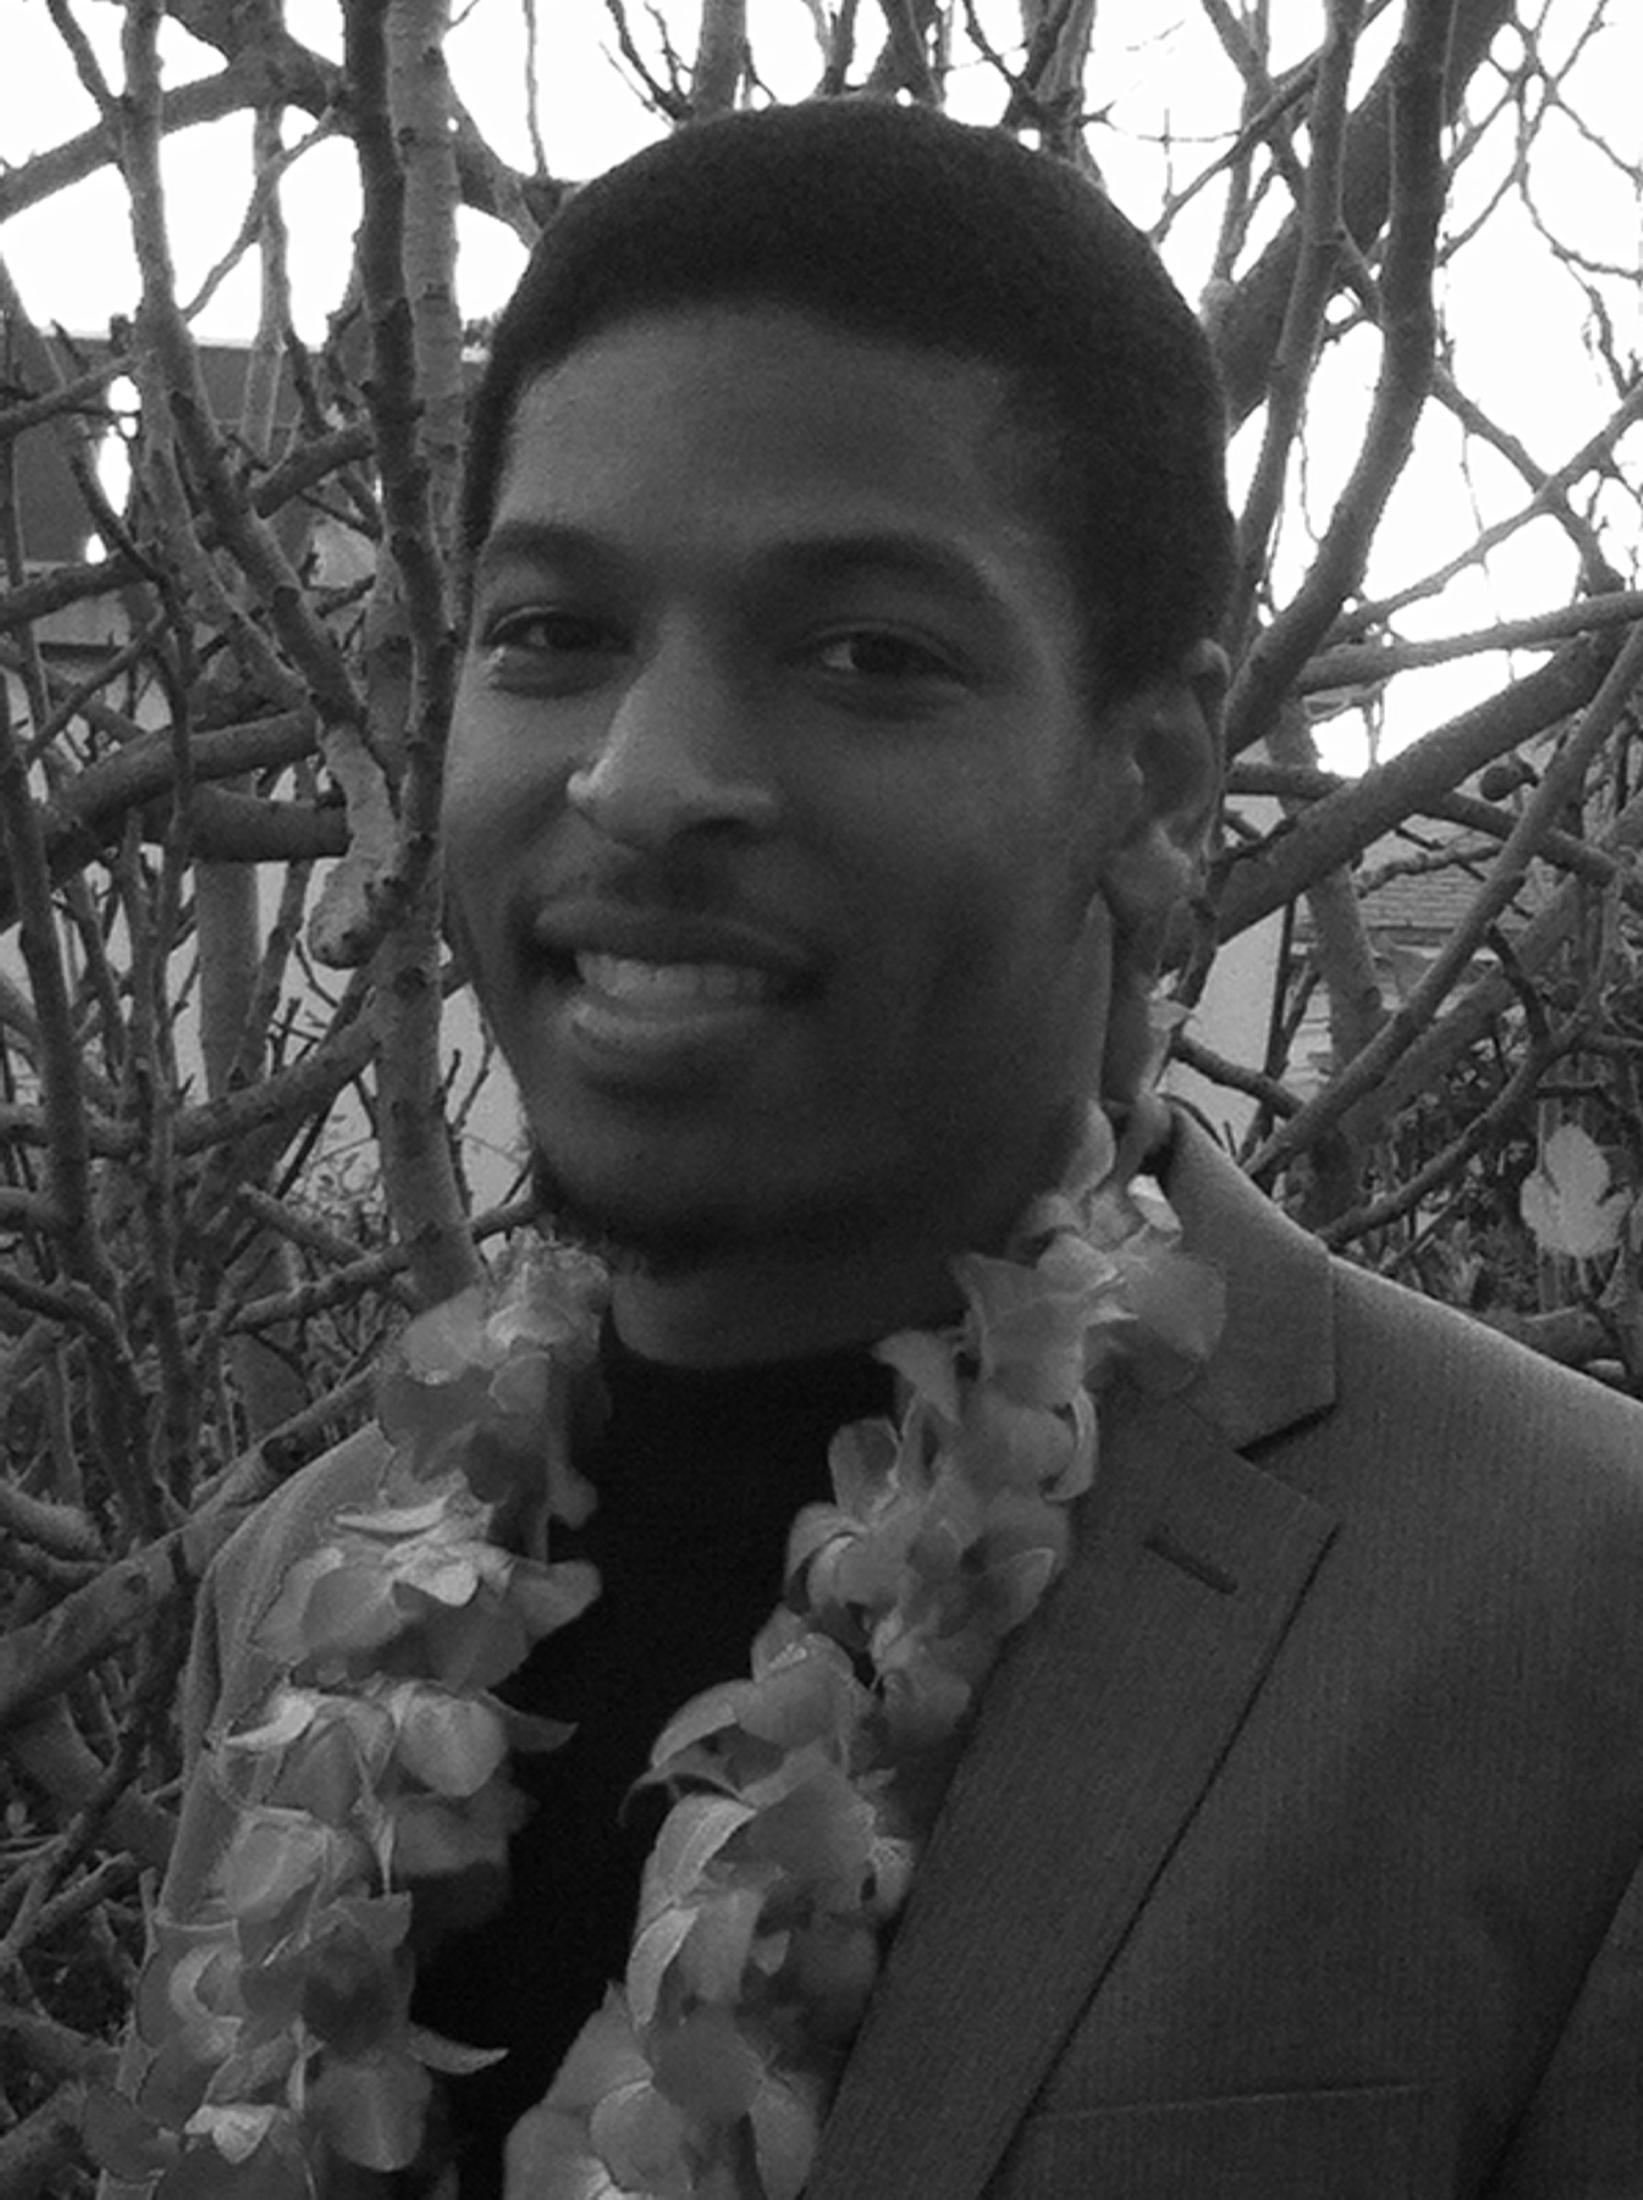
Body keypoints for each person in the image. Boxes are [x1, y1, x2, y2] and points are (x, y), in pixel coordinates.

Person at [102, 99, 1643, 2200]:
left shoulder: (1572, 1620)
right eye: (553, 631)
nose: (643, 782)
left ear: (1159, 777)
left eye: (864, 654)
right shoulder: (297, 1588)